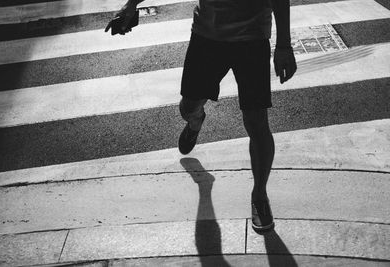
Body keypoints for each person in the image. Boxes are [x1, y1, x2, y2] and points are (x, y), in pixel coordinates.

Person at [106, 0, 297, 231]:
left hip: (252, 38)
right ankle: (196, 121)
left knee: (257, 123)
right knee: (188, 107)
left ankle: (260, 196)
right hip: (207, 37)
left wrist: (284, 45)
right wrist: (131, 5)